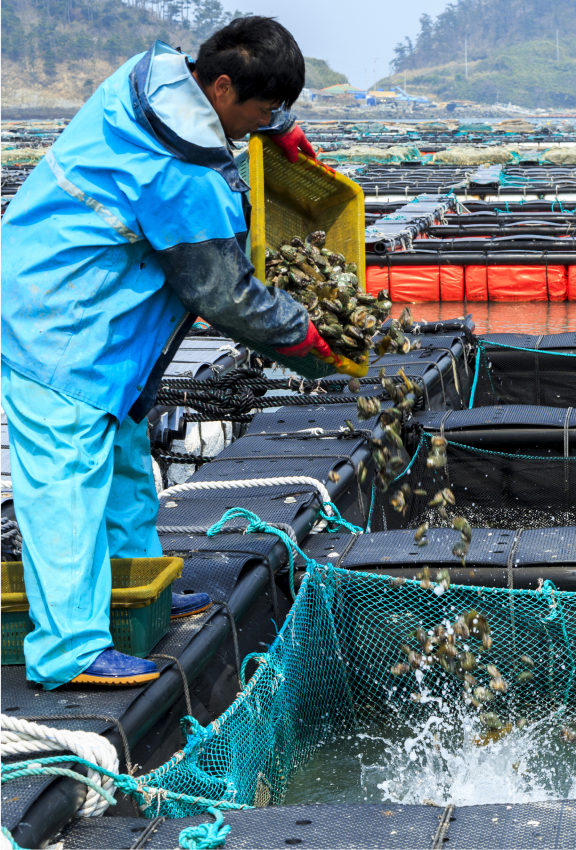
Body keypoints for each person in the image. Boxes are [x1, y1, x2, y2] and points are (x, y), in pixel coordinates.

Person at [0, 16, 339, 688]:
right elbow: (227, 297)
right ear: (220, 87)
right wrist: (307, 343)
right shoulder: (177, 177)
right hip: (57, 322)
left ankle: (137, 595)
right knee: (67, 479)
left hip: (98, 310)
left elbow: (207, 102)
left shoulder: (153, 77)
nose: (264, 122)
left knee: (125, 460)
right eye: (262, 109)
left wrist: (276, 125)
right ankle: (70, 649)